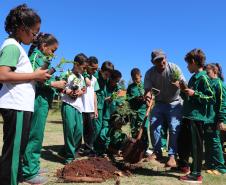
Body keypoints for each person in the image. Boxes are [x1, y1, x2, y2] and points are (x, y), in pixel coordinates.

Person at [0, 4, 51, 185]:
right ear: (22, 28)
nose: (36, 36)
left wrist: (36, 77)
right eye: (34, 32)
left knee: (17, 151)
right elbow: (3, 74)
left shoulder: (18, 47)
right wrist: (35, 75)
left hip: (21, 107)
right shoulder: (12, 46)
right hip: (16, 106)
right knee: (13, 154)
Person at [22, 33, 66, 184]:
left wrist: (58, 85)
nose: (53, 54)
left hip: (43, 101)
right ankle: (29, 172)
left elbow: (46, 78)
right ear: (44, 46)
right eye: (52, 50)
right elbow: (35, 77)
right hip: (37, 100)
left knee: (37, 135)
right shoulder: (35, 57)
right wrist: (55, 84)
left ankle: (33, 166)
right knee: (34, 136)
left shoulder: (43, 59)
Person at [179, 49, 215, 183]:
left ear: (193, 62)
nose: (187, 67)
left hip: (197, 118)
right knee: (188, 145)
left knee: (196, 147)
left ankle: (196, 175)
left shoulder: (203, 77)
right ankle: (191, 170)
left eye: (188, 64)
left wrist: (195, 94)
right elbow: (189, 97)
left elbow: (211, 97)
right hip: (188, 116)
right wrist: (183, 90)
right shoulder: (194, 77)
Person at [144, 49, 185, 167]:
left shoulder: (174, 69)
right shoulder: (150, 73)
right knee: (153, 125)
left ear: (165, 58)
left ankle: (172, 155)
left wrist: (180, 84)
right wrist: (147, 96)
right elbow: (147, 90)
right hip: (160, 102)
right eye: (157, 60)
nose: (161, 62)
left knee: (173, 128)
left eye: (162, 59)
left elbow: (184, 86)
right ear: (153, 62)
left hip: (175, 102)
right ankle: (157, 152)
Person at [60, 53, 86, 164]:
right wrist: (69, 92)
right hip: (68, 105)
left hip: (79, 107)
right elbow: (60, 87)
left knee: (79, 131)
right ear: (76, 64)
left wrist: (79, 92)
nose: (84, 70)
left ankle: (68, 150)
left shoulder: (82, 77)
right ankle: (70, 157)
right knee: (69, 130)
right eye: (83, 67)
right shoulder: (68, 74)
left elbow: (84, 89)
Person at [204, 63, 226, 174]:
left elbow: (222, 103)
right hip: (207, 119)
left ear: (215, 71)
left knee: (215, 142)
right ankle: (210, 164)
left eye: (207, 73)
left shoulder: (220, 84)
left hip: (215, 119)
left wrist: (221, 120)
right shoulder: (207, 84)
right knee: (208, 142)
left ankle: (220, 167)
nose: (206, 75)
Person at [95, 70, 123, 154]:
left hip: (113, 114)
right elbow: (99, 99)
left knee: (110, 132)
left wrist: (120, 103)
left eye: (118, 81)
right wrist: (106, 99)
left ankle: (106, 149)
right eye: (116, 81)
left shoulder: (117, 88)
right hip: (104, 114)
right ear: (111, 78)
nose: (117, 83)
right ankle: (100, 149)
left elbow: (119, 99)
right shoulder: (103, 85)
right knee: (103, 132)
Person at [127, 68, 149, 153]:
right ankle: (134, 148)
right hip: (133, 112)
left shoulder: (145, 86)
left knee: (144, 129)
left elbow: (150, 97)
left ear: (140, 76)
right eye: (133, 79)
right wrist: (134, 98)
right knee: (134, 129)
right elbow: (127, 98)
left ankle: (144, 149)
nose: (135, 80)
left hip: (143, 112)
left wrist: (144, 98)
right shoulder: (130, 87)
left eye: (137, 78)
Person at [93, 61, 114, 149]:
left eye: (109, 75)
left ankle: (99, 147)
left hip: (104, 107)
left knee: (103, 128)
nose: (107, 77)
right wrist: (95, 109)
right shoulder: (95, 78)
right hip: (96, 107)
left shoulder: (107, 79)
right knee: (97, 128)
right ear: (101, 71)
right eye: (106, 74)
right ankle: (93, 147)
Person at [81, 56, 100, 155]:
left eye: (96, 68)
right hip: (81, 108)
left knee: (91, 130)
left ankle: (88, 150)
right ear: (87, 65)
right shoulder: (81, 76)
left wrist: (95, 109)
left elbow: (94, 94)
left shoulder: (95, 79)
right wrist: (84, 76)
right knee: (80, 130)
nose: (95, 70)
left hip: (91, 109)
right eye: (93, 68)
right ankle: (74, 149)